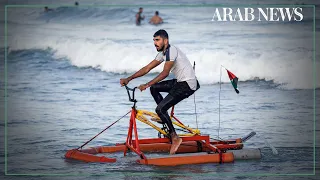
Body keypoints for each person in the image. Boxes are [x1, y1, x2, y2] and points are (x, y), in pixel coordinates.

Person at [120, 29, 200, 155]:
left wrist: (146, 84)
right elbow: (147, 68)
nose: (154, 43)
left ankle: (175, 137)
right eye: (154, 40)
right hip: (179, 82)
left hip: (187, 85)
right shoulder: (163, 53)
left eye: (157, 40)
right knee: (154, 89)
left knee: (160, 109)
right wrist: (129, 79)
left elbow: (165, 73)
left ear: (165, 41)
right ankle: (164, 117)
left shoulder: (171, 51)